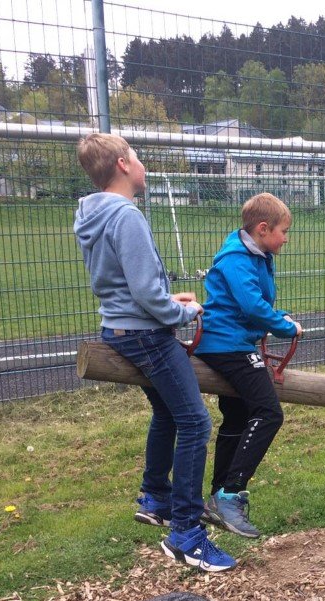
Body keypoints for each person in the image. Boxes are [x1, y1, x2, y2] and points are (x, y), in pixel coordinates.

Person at [74, 133, 235, 573]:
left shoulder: (92, 213)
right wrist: (181, 312)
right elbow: (145, 291)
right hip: (147, 334)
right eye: (138, 157)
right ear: (123, 165)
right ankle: (186, 534)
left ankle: (156, 498)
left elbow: (123, 284)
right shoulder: (126, 215)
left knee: (167, 413)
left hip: (120, 327)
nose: (143, 165)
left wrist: (167, 300)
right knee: (195, 422)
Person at [194, 193, 303, 538]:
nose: (286, 238)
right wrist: (286, 327)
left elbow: (254, 303)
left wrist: (278, 315)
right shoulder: (237, 259)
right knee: (269, 413)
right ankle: (231, 493)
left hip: (233, 340)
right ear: (263, 229)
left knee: (238, 418)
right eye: (284, 231)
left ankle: (217, 495)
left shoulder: (257, 254)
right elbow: (253, 306)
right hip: (227, 345)